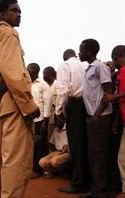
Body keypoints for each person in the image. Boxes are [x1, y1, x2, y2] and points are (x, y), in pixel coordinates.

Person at [0, 0, 40, 197]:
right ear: (2, 15)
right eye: (13, 10)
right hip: (15, 105)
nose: (18, 14)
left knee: (3, 161)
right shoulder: (9, 33)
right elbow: (13, 73)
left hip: (3, 105)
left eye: (19, 11)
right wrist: (29, 106)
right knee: (15, 164)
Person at [102, 45, 125, 197]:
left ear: (116, 58)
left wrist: (114, 97)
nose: (114, 64)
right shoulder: (122, 72)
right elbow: (124, 98)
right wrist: (117, 120)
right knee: (123, 157)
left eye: (114, 61)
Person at [79, 39, 113, 198]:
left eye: (81, 49)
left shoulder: (100, 67)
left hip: (100, 117)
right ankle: (96, 189)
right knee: (94, 154)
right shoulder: (89, 69)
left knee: (98, 154)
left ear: (90, 52)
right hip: (93, 117)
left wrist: (97, 115)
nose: (79, 53)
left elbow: (108, 93)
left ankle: (101, 192)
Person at [56, 49, 90, 194]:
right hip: (87, 105)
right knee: (85, 144)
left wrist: (59, 110)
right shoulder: (85, 65)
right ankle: (86, 181)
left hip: (75, 105)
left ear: (64, 56)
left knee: (76, 146)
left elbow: (63, 90)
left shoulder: (65, 65)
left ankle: (77, 183)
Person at [27, 63, 51, 178]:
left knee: (40, 145)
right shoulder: (25, 83)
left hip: (40, 120)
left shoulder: (43, 85)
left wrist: (45, 122)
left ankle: (39, 170)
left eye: (29, 69)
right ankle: (32, 168)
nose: (26, 71)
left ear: (35, 71)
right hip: (28, 120)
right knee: (30, 146)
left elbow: (47, 103)